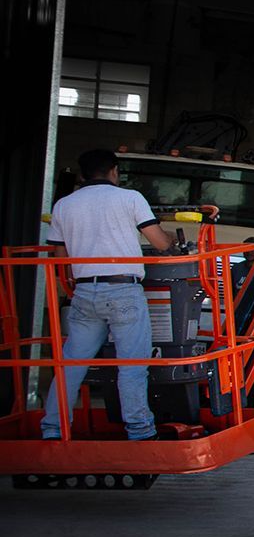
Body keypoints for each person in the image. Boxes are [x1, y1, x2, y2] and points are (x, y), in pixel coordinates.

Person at [40, 148, 172, 441]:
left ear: (83, 175)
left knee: (71, 365)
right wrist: (171, 238)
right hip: (123, 289)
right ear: (114, 171)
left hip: (84, 291)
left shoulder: (63, 205)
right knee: (132, 365)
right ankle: (140, 430)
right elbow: (160, 244)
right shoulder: (131, 198)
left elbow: (61, 256)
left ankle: (53, 429)